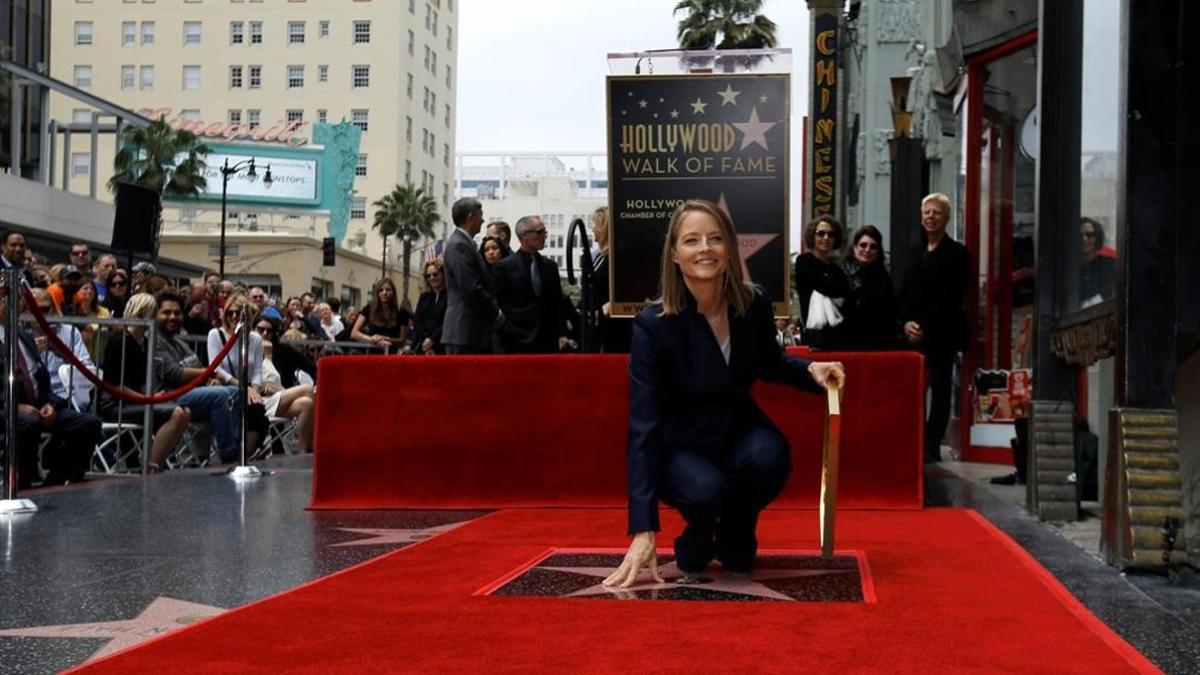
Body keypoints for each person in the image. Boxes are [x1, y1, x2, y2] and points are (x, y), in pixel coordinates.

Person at [605, 200, 845, 588]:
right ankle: (699, 534)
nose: (705, 248)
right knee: (705, 489)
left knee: (769, 457)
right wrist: (643, 529)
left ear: (729, 248)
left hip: (738, 432)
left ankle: (734, 526)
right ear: (674, 253)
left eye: (715, 238)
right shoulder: (653, 324)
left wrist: (810, 369)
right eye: (692, 240)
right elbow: (643, 425)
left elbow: (771, 363)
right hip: (681, 448)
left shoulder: (754, 304)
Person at [0, 286, 101, 488]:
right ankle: (23, 484)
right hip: (7, 408)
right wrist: (15, 406)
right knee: (28, 423)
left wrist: (51, 404)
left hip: (37, 404)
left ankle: (58, 481)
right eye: (4, 300)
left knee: (89, 424)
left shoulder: (23, 337)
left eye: (16, 300)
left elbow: (41, 379)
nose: (13, 305)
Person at [898, 192, 969, 464]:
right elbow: (903, 293)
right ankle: (911, 440)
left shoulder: (957, 253)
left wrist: (924, 325)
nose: (931, 217)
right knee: (912, 390)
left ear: (947, 218)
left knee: (940, 391)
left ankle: (931, 444)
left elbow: (951, 296)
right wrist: (906, 323)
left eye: (936, 212)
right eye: (927, 212)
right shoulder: (914, 253)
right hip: (912, 334)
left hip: (942, 333)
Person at [98, 293, 192, 474]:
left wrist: (151, 397)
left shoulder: (145, 342)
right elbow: (117, 386)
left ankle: (156, 461)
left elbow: (141, 380)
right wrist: (147, 398)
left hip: (134, 401)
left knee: (185, 412)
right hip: (114, 404)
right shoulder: (120, 342)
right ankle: (152, 466)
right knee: (177, 412)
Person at [152, 292, 242, 464]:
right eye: (166, 312)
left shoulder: (180, 343)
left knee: (235, 392)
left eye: (177, 313)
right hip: (168, 395)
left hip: (191, 393)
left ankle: (235, 448)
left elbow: (199, 368)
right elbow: (174, 374)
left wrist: (210, 379)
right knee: (220, 395)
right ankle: (229, 456)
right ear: (155, 315)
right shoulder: (155, 341)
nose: (172, 317)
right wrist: (208, 374)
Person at [494, 215, 569, 353]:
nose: (544, 236)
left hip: (547, 339)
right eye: (540, 232)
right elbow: (498, 301)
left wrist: (562, 334)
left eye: (544, 233)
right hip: (515, 339)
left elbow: (558, 302)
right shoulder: (505, 266)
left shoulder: (550, 266)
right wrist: (506, 327)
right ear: (524, 236)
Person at [442, 197, 501, 354]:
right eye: (480, 216)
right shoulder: (459, 245)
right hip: (465, 333)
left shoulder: (465, 244)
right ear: (471, 217)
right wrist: (496, 313)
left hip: (470, 333)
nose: (483, 220)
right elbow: (471, 289)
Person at [794, 215, 851, 349]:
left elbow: (847, 295)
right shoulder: (803, 261)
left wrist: (842, 292)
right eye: (821, 233)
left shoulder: (836, 269)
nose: (826, 238)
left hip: (839, 337)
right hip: (814, 338)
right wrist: (840, 292)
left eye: (831, 234)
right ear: (812, 236)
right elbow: (825, 286)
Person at [839, 225, 900, 349]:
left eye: (873, 247)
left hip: (878, 344)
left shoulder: (884, 278)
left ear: (878, 252)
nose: (867, 250)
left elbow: (890, 313)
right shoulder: (840, 274)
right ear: (854, 247)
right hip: (847, 343)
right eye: (863, 245)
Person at [351, 278, 411, 353]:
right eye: (381, 290)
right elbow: (354, 333)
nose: (384, 293)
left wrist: (385, 339)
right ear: (377, 293)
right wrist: (372, 339)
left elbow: (402, 340)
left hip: (390, 356)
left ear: (393, 293)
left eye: (388, 290)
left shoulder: (402, 313)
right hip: (370, 354)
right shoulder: (369, 309)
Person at [255, 317, 317, 387]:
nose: (265, 333)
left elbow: (311, 366)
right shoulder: (246, 350)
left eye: (269, 331)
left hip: (283, 392)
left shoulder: (285, 350)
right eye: (261, 329)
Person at [1078, 217, 1115, 308]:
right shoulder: (1066, 269)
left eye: (1089, 235)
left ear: (1097, 237)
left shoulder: (1111, 265)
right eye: (1079, 235)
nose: (1084, 239)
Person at [412, 260, 448, 355]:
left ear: (443, 274)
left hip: (442, 346)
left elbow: (448, 321)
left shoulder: (450, 296)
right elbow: (417, 320)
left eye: (435, 274)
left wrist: (433, 339)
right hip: (423, 346)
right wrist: (425, 340)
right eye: (428, 276)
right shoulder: (424, 297)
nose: (432, 278)